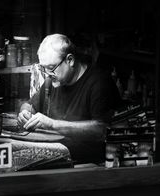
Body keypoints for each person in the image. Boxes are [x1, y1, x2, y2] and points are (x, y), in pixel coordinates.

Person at [18, 33, 122, 163]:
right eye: (43, 69)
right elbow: (29, 104)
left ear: (70, 60)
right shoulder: (52, 81)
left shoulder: (99, 83)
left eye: (51, 68)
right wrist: (25, 112)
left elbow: (102, 130)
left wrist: (52, 124)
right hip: (58, 157)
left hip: (88, 165)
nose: (47, 74)